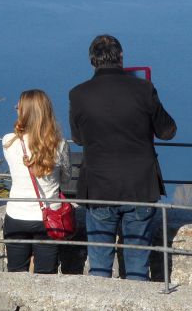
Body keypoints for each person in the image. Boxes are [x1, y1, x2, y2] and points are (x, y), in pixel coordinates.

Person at [69, 35, 177, 281]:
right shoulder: (144, 89)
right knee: (138, 266)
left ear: (92, 61)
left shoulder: (79, 94)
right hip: (140, 185)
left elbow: (78, 138)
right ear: (121, 57)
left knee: (99, 267)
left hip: (99, 186)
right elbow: (168, 131)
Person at [2, 89, 71, 274]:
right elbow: (66, 178)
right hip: (49, 218)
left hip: (16, 215)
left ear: (22, 111)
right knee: (46, 274)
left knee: (16, 272)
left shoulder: (8, 142)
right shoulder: (60, 144)